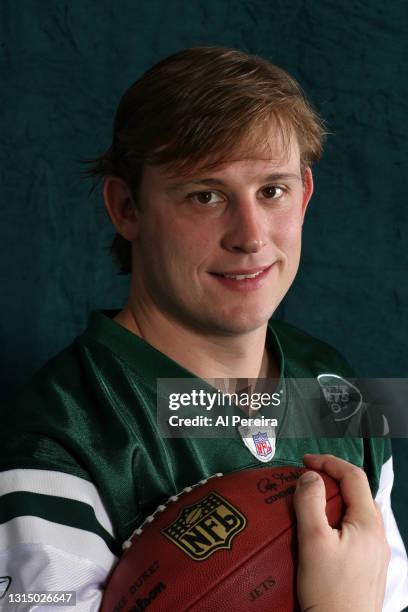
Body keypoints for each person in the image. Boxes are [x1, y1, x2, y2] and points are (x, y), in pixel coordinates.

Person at [0, 46, 406, 611]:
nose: (251, 236)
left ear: (305, 194)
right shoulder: (55, 440)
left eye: (272, 190)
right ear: (126, 207)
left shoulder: (335, 387)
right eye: (206, 195)